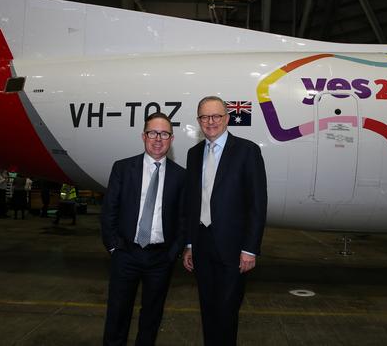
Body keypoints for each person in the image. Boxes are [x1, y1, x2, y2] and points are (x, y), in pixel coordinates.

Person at [182, 96, 267, 346]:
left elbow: (257, 204)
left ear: (227, 118)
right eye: (205, 117)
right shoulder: (193, 154)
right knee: (207, 310)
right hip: (202, 246)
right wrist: (188, 244)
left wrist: (250, 249)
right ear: (198, 121)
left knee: (227, 312)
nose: (211, 122)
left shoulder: (247, 151)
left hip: (234, 249)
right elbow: (191, 203)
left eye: (216, 116)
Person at [100, 112, 186, 346]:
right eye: (152, 133)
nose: (158, 138)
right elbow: (109, 211)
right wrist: (114, 247)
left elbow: (183, 220)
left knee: (151, 318)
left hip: (161, 258)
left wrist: (173, 254)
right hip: (125, 253)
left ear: (171, 138)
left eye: (164, 133)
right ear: (143, 136)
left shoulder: (181, 176)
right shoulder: (123, 168)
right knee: (117, 315)